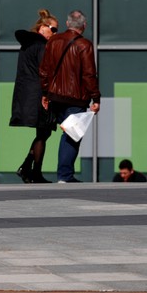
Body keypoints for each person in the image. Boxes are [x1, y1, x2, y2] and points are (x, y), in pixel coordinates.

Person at [38, 10, 100, 183]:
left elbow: (44, 70)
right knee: (72, 135)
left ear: (67, 24)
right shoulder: (85, 45)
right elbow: (89, 75)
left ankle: (64, 174)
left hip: (55, 96)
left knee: (65, 133)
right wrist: (96, 98)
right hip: (76, 98)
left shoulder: (53, 41)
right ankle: (64, 176)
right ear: (84, 26)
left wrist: (45, 93)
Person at [9, 9, 60, 183]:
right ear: (42, 27)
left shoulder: (27, 45)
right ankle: (33, 171)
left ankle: (28, 168)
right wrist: (47, 94)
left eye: (56, 30)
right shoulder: (41, 46)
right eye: (53, 29)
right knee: (44, 131)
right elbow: (45, 72)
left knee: (43, 132)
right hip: (39, 94)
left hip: (28, 94)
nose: (55, 34)